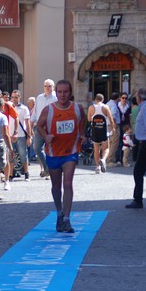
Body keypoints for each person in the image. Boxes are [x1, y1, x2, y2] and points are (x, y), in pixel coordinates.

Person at [36, 79, 86, 233]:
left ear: (70, 93)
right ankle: (59, 212)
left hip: (70, 152)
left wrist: (82, 135)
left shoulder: (77, 108)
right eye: (60, 92)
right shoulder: (48, 110)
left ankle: (67, 219)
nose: (63, 95)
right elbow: (38, 125)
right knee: (56, 187)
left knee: (68, 184)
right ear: (56, 93)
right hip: (53, 153)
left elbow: (83, 120)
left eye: (65, 92)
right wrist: (46, 136)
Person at [31, 79, 57, 179]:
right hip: (39, 127)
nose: (47, 87)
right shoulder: (39, 97)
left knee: (50, 150)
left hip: (51, 127)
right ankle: (47, 169)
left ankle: (51, 170)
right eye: (45, 86)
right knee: (36, 148)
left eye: (49, 86)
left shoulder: (56, 98)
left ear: (53, 87)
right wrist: (31, 122)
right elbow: (36, 111)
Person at [87, 93, 115, 174]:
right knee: (106, 148)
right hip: (103, 130)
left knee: (96, 150)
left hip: (95, 130)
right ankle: (103, 159)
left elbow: (89, 119)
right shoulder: (105, 107)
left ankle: (97, 167)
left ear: (95, 99)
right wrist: (113, 127)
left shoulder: (91, 107)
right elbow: (110, 118)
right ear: (103, 100)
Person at [11, 90, 32, 181]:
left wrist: (29, 136)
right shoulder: (8, 107)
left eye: (16, 97)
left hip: (21, 135)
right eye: (13, 97)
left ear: (19, 97)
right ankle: (10, 174)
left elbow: (28, 124)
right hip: (10, 135)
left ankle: (26, 173)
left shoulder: (24, 108)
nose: (14, 99)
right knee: (11, 155)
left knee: (23, 155)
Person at [105, 92, 122, 167]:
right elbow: (113, 116)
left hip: (107, 125)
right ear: (117, 98)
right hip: (113, 125)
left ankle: (107, 158)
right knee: (114, 143)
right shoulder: (114, 105)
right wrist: (114, 126)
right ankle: (110, 160)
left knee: (110, 143)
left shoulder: (107, 104)